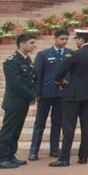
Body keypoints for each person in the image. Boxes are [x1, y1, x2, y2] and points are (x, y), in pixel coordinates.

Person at [50, 29, 88, 167]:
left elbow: (59, 74)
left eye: (76, 39)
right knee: (86, 125)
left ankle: (64, 158)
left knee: (68, 127)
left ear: (81, 40)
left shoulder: (74, 55)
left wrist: (61, 83)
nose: (75, 42)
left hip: (73, 94)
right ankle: (83, 157)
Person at [0, 32, 37, 169]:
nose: (34, 46)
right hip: (14, 101)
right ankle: (1, 159)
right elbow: (15, 83)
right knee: (8, 130)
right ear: (22, 44)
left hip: (22, 101)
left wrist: (32, 94)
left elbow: (30, 79)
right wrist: (31, 96)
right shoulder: (11, 61)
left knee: (16, 130)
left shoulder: (26, 59)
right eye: (31, 43)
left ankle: (10, 155)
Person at [28, 28, 70, 160]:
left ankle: (54, 149)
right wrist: (36, 92)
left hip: (61, 94)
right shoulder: (44, 54)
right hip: (46, 94)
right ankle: (34, 150)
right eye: (61, 39)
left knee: (57, 123)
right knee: (40, 123)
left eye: (66, 39)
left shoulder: (70, 54)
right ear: (55, 39)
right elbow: (37, 75)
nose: (64, 42)